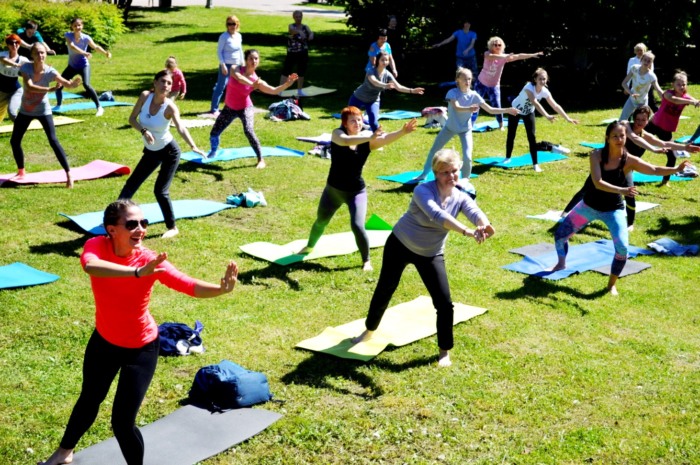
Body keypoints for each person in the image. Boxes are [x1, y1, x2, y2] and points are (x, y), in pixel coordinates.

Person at [38, 199, 239, 465]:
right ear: (111, 229)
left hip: (141, 348)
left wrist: (220, 289)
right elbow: (90, 266)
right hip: (104, 342)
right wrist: (136, 272)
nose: (141, 229)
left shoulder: (150, 260)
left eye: (144, 223)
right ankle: (64, 453)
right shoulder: (96, 246)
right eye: (132, 224)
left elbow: (188, 285)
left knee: (122, 423)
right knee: (89, 400)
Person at [352, 149, 495, 367]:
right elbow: (438, 215)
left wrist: (484, 225)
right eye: (445, 172)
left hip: (430, 253)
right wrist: (467, 232)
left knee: (445, 304)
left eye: (454, 171)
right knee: (385, 288)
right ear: (436, 173)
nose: (451, 176)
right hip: (400, 244)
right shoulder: (422, 190)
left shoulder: (460, 195)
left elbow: (474, 210)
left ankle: (444, 351)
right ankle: (368, 330)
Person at [552, 121, 695, 295]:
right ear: (607, 138)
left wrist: (676, 169)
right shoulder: (596, 155)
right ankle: (561, 263)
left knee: (622, 250)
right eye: (615, 136)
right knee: (560, 236)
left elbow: (654, 169)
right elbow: (598, 182)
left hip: (613, 210)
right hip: (589, 206)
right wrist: (623, 190)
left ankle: (611, 284)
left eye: (622, 135)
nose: (620, 139)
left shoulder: (629, 160)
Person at [299, 106, 418, 271]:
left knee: (357, 225)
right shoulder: (337, 134)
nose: (357, 123)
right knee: (321, 221)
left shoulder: (366, 141)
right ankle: (309, 246)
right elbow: (347, 141)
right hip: (333, 190)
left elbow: (384, 140)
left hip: (356, 192)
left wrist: (402, 131)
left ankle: (366, 261)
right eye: (352, 120)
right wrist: (370, 136)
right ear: (345, 124)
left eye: (360, 120)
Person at [562, 105, 699, 230]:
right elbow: (634, 138)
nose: (640, 122)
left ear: (648, 121)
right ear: (634, 118)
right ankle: (566, 213)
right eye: (638, 119)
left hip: (627, 166)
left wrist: (685, 147)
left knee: (630, 193)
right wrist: (654, 150)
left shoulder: (645, 134)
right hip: (609, 162)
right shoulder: (625, 126)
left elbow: (663, 143)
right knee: (588, 187)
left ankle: (630, 224)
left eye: (643, 120)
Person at [119, 69, 206, 239]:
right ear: (155, 82)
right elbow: (132, 119)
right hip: (151, 151)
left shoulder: (170, 107)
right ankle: (114, 219)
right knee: (132, 183)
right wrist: (144, 131)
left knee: (160, 191)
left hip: (169, 152)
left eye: (169, 83)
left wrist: (193, 146)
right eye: (163, 81)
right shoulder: (145, 97)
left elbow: (181, 127)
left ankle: (172, 227)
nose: (165, 85)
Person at [413, 67, 518, 182]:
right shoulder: (452, 92)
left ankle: (465, 181)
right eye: (464, 79)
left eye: (469, 79)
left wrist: (508, 110)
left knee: (467, 157)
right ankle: (424, 174)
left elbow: (491, 110)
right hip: (449, 128)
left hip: (465, 130)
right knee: (434, 150)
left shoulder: (474, 95)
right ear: (457, 80)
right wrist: (470, 108)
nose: (467, 82)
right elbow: (457, 107)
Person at [208, 49, 297, 168]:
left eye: (256, 58)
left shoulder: (257, 81)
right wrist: (253, 85)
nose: (254, 61)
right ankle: (213, 152)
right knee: (214, 133)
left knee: (249, 131)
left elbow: (274, 90)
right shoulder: (235, 68)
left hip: (245, 107)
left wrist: (287, 84)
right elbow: (239, 78)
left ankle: (261, 159)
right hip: (229, 107)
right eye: (251, 58)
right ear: (245, 60)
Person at [10, 43, 80, 188]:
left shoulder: (50, 72)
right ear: (32, 55)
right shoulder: (25, 68)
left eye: (42, 53)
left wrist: (71, 84)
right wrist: (49, 88)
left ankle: (69, 174)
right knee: (14, 141)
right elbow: (29, 86)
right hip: (26, 110)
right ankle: (21, 171)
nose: (40, 56)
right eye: (37, 53)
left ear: (46, 54)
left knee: (53, 141)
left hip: (43, 111)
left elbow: (64, 82)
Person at [505, 68, 578, 172]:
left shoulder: (544, 91)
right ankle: (507, 157)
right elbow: (535, 103)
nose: (543, 81)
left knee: (532, 137)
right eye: (540, 79)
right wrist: (547, 115)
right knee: (511, 134)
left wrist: (567, 118)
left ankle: (535, 164)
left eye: (544, 79)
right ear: (535, 79)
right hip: (515, 110)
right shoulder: (528, 87)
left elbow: (555, 105)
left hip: (528, 112)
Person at [472, 36, 543, 129]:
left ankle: (501, 125)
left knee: (497, 105)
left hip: (494, 86)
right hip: (481, 83)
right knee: (475, 103)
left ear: (502, 46)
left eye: (499, 45)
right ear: (491, 45)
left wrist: (533, 54)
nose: (497, 46)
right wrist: (506, 56)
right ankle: (470, 124)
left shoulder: (505, 57)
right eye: (495, 44)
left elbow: (519, 56)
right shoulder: (487, 53)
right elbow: (493, 56)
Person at [643, 70, 700, 184]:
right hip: (653, 124)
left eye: (683, 84)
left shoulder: (686, 97)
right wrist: (692, 102)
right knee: (637, 146)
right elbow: (674, 100)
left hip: (666, 130)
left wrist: (696, 101)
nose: (681, 86)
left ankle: (665, 181)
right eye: (678, 84)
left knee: (672, 157)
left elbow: (695, 101)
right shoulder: (668, 94)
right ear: (673, 84)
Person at [349, 51, 424, 132]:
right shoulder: (371, 71)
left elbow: (398, 87)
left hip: (373, 100)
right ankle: (342, 136)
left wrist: (412, 90)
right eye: (382, 60)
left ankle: (376, 139)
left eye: (386, 60)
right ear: (378, 60)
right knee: (349, 118)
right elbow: (374, 81)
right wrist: (385, 85)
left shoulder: (387, 74)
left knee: (373, 123)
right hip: (358, 97)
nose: (385, 62)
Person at [54, 17, 112, 117]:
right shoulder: (68, 35)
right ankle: (58, 105)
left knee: (86, 85)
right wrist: (84, 53)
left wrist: (105, 53)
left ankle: (99, 107)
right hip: (72, 66)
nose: (77, 27)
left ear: (82, 26)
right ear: (72, 27)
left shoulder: (86, 38)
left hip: (83, 65)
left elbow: (95, 46)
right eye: (75, 25)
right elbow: (72, 46)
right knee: (59, 84)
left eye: (79, 25)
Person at [205, 15, 243, 117]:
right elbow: (219, 51)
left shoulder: (239, 36)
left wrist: (242, 63)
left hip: (236, 65)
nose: (231, 26)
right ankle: (214, 108)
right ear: (227, 25)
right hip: (226, 64)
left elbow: (240, 50)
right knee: (221, 86)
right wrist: (223, 65)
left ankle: (233, 106)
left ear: (237, 24)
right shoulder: (223, 36)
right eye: (229, 24)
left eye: (233, 24)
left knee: (236, 86)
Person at [620, 51, 663, 121]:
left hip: (642, 102)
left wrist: (666, 99)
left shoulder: (651, 76)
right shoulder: (634, 68)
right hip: (631, 100)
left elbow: (658, 89)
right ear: (641, 60)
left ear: (651, 63)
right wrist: (631, 93)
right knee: (622, 120)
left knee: (643, 123)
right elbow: (624, 83)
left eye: (649, 61)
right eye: (645, 60)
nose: (646, 62)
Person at [280, 10, 313, 95]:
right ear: (294, 17)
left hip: (302, 52)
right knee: (286, 71)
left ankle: (300, 91)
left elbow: (310, 33)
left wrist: (311, 35)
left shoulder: (305, 27)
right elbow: (291, 31)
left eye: (300, 16)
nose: (298, 18)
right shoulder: (291, 26)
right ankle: (280, 90)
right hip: (292, 53)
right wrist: (299, 32)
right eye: (297, 17)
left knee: (301, 72)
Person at [0, 34, 30, 123]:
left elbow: (34, 66)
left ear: (19, 44)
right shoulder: (2, 54)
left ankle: (20, 130)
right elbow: (4, 60)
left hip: (15, 90)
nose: (14, 45)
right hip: (2, 91)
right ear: (7, 45)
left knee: (12, 112)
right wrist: (15, 65)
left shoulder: (23, 60)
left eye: (16, 43)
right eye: (11, 43)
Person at [627, 42, 657, 112]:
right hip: (635, 83)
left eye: (641, 50)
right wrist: (627, 86)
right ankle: (630, 118)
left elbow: (651, 71)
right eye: (638, 50)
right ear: (635, 51)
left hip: (647, 83)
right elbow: (628, 72)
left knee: (651, 101)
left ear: (644, 50)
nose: (639, 52)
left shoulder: (649, 59)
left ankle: (657, 114)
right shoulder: (632, 60)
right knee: (632, 101)